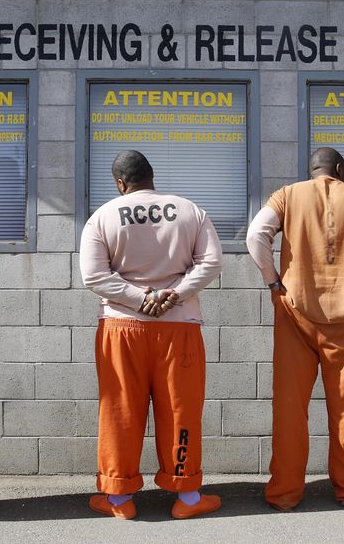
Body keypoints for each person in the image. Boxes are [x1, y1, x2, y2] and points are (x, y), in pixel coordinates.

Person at [246, 147, 344, 511]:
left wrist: (273, 282)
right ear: (341, 169)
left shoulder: (287, 196)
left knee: (289, 406)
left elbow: (256, 235)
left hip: (295, 313)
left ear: (312, 171)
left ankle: (284, 493)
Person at [79, 150, 224, 520]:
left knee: (119, 410)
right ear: (152, 176)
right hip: (179, 324)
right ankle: (187, 496)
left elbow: (94, 276)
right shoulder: (190, 210)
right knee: (180, 406)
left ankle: (118, 499)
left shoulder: (103, 217)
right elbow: (211, 262)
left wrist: (140, 299)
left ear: (120, 183)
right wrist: (177, 293)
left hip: (120, 327)